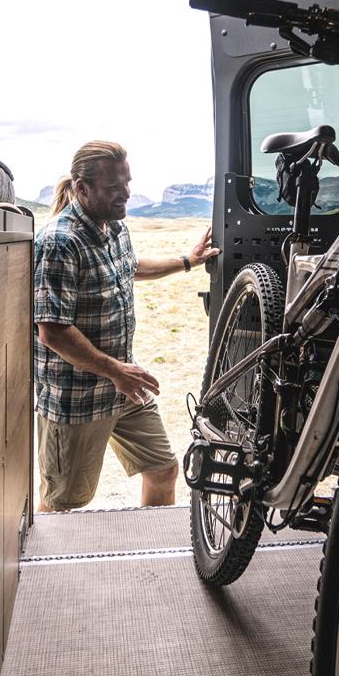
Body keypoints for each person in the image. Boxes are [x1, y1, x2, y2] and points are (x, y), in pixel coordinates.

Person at [32, 140, 219, 512]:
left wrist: (187, 260)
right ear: (82, 188)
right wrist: (116, 370)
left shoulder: (114, 229)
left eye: (127, 182)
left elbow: (130, 268)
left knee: (163, 470)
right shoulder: (60, 241)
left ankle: (150, 552)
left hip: (123, 386)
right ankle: (47, 568)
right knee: (64, 503)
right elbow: (52, 331)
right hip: (79, 397)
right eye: (114, 187)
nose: (127, 194)